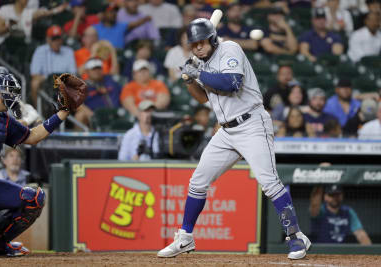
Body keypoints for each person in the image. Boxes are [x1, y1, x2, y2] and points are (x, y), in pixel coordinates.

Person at [157, 18, 311, 260]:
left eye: (201, 41)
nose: (197, 47)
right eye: (194, 43)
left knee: (269, 182)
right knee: (197, 182)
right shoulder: (202, 62)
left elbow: (232, 83)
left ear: (212, 38)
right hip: (227, 131)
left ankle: (296, 237)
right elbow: (203, 99)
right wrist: (189, 81)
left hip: (252, 124)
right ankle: (185, 237)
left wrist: (198, 71)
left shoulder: (230, 48)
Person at [0, 72, 73, 256]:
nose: (11, 95)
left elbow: (32, 136)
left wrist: (62, 113)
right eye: (5, 91)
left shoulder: (4, 121)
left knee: (34, 198)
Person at [0, 0, 67, 53]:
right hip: (4, 41)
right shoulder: (5, 10)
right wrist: (10, 26)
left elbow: (42, 13)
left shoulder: (28, 12)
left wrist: (56, 10)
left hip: (22, 44)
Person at [30, 25, 77, 106]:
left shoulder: (68, 51)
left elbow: (73, 73)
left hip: (64, 82)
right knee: (34, 83)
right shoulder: (40, 50)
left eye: (59, 38)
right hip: (46, 81)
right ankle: (38, 111)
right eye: (54, 39)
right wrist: (47, 78)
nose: (57, 41)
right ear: (48, 39)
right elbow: (34, 74)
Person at [75, 58, 122, 127]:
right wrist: (91, 114)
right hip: (94, 115)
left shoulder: (110, 80)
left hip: (115, 114)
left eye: (99, 68)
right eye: (93, 69)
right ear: (87, 71)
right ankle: (80, 138)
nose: (97, 71)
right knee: (80, 115)